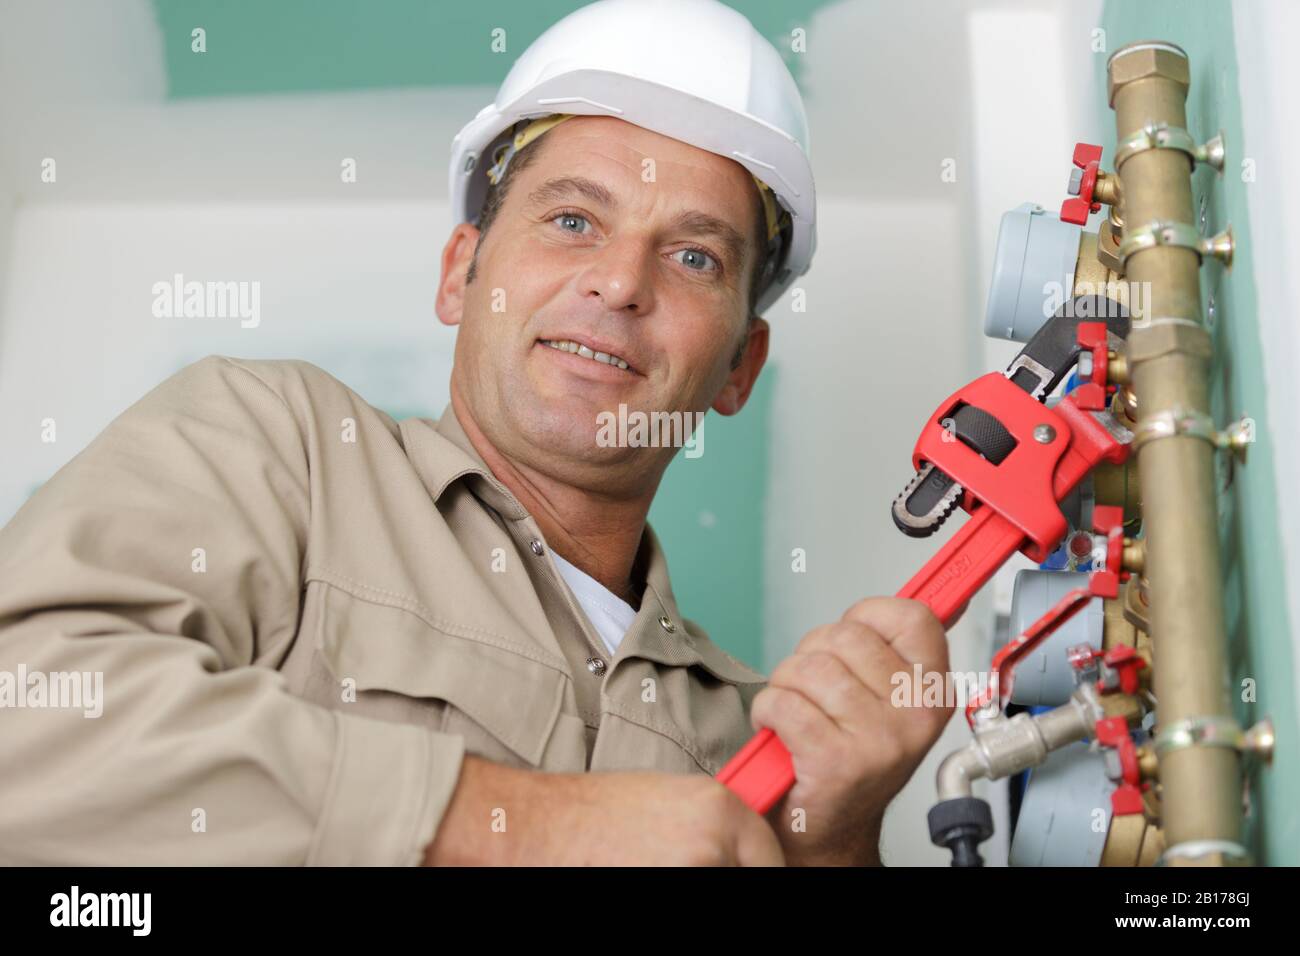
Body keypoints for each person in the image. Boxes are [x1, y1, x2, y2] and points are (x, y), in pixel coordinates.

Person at [0, 0, 950, 866]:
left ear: (740, 366)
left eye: (694, 254)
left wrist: (836, 847)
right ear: (461, 273)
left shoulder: (762, 733)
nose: (621, 282)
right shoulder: (277, 446)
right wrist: (531, 827)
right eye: (573, 218)